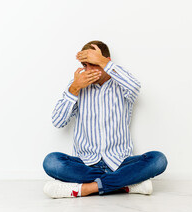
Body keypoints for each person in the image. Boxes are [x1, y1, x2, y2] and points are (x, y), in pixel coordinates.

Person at [42, 40, 168, 198]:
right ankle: (125, 185)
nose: (88, 70)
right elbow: (58, 121)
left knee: (158, 159)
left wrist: (101, 61)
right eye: (85, 65)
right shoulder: (77, 86)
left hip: (120, 162)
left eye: (93, 64)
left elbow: (135, 86)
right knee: (51, 161)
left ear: (106, 61)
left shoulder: (121, 84)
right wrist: (74, 89)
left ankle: (86, 189)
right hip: (86, 164)